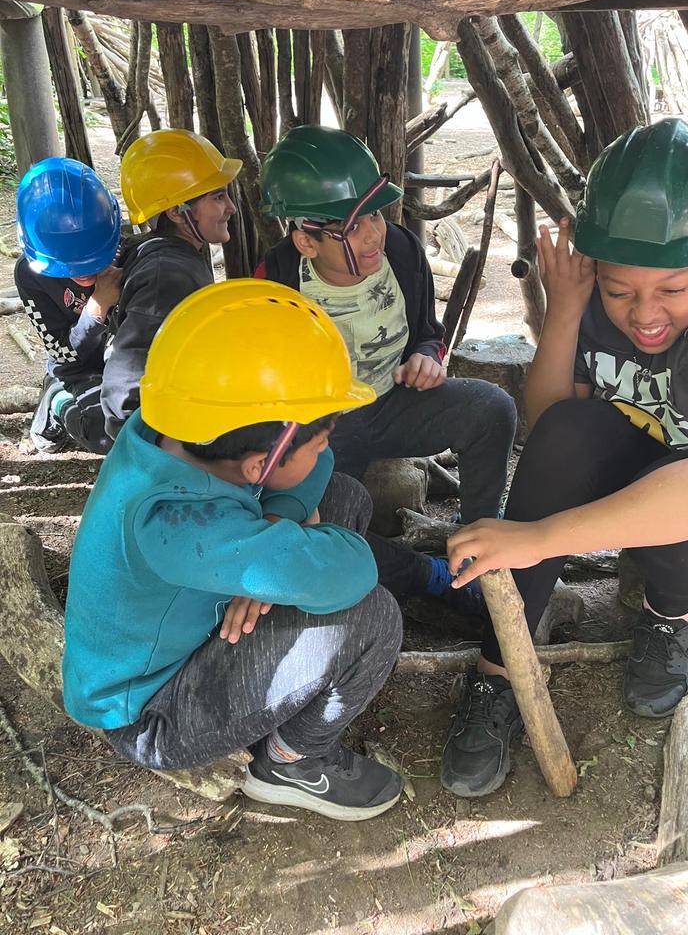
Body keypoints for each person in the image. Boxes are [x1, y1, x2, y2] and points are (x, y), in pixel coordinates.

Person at [441, 118, 688, 798]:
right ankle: (503, 665)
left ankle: (671, 613)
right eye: (621, 290)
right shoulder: (594, 299)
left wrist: (541, 538)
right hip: (633, 456)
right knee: (565, 433)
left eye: (671, 289)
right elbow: (549, 417)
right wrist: (567, 310)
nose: (644, 313)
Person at [63, 279, 404, 821]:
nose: (327, 451)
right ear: (257, 467)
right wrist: (270, 558)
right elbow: (356, 571)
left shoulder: (174, 424)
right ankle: (291, 762)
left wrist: (277, 523)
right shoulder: (174, 519)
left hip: (192, 609)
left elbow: (317, 479)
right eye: (319, 441)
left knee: (343, 497)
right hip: (151, 711)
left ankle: (275, 574)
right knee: (374, 617)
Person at [257, 125, 517, 610]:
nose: (374, 232)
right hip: (324, 429)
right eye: (353, 227)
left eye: (375, 214)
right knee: (330, 527)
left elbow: (426, 330)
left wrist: (427, 356)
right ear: (306, 242)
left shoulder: (400, 249)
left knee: (493, 408)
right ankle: (429, 577)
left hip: (394, 401)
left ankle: (479, 540)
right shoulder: (277, 280)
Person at [101, 128, 240, 439]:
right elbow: (129, 374)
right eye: (218, 197)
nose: (231, 207)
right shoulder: (168, 275)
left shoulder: (165, 251)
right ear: (177, 211)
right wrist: (145, 448)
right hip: (161, 436)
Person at [14, 157, 122, 454]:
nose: (83, 268)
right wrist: (97, 306)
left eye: (92, 255)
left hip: (125, 362)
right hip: (78, 368)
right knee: (104, 433)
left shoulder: (127, 250)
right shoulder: (30, 274)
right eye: (67, 263)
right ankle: (58, 399)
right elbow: (62, 352)